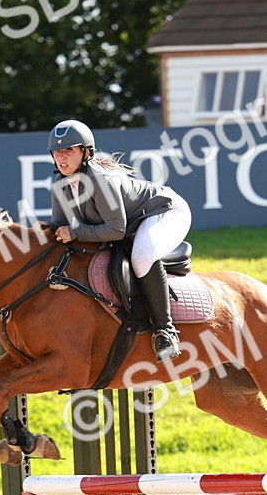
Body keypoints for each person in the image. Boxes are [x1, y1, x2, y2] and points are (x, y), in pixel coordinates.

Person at [43, 119, 191, 362]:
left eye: (69, 150)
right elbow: (62, 229)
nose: (61, 157)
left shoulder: (101, 180)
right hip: (133, 223)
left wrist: (75, 232)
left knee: (142, 256)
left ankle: (165, 331)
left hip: (164, 211)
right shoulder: (60, 184)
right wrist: (44, 232)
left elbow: (115, 230)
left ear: (86, 152)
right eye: (57, 152)